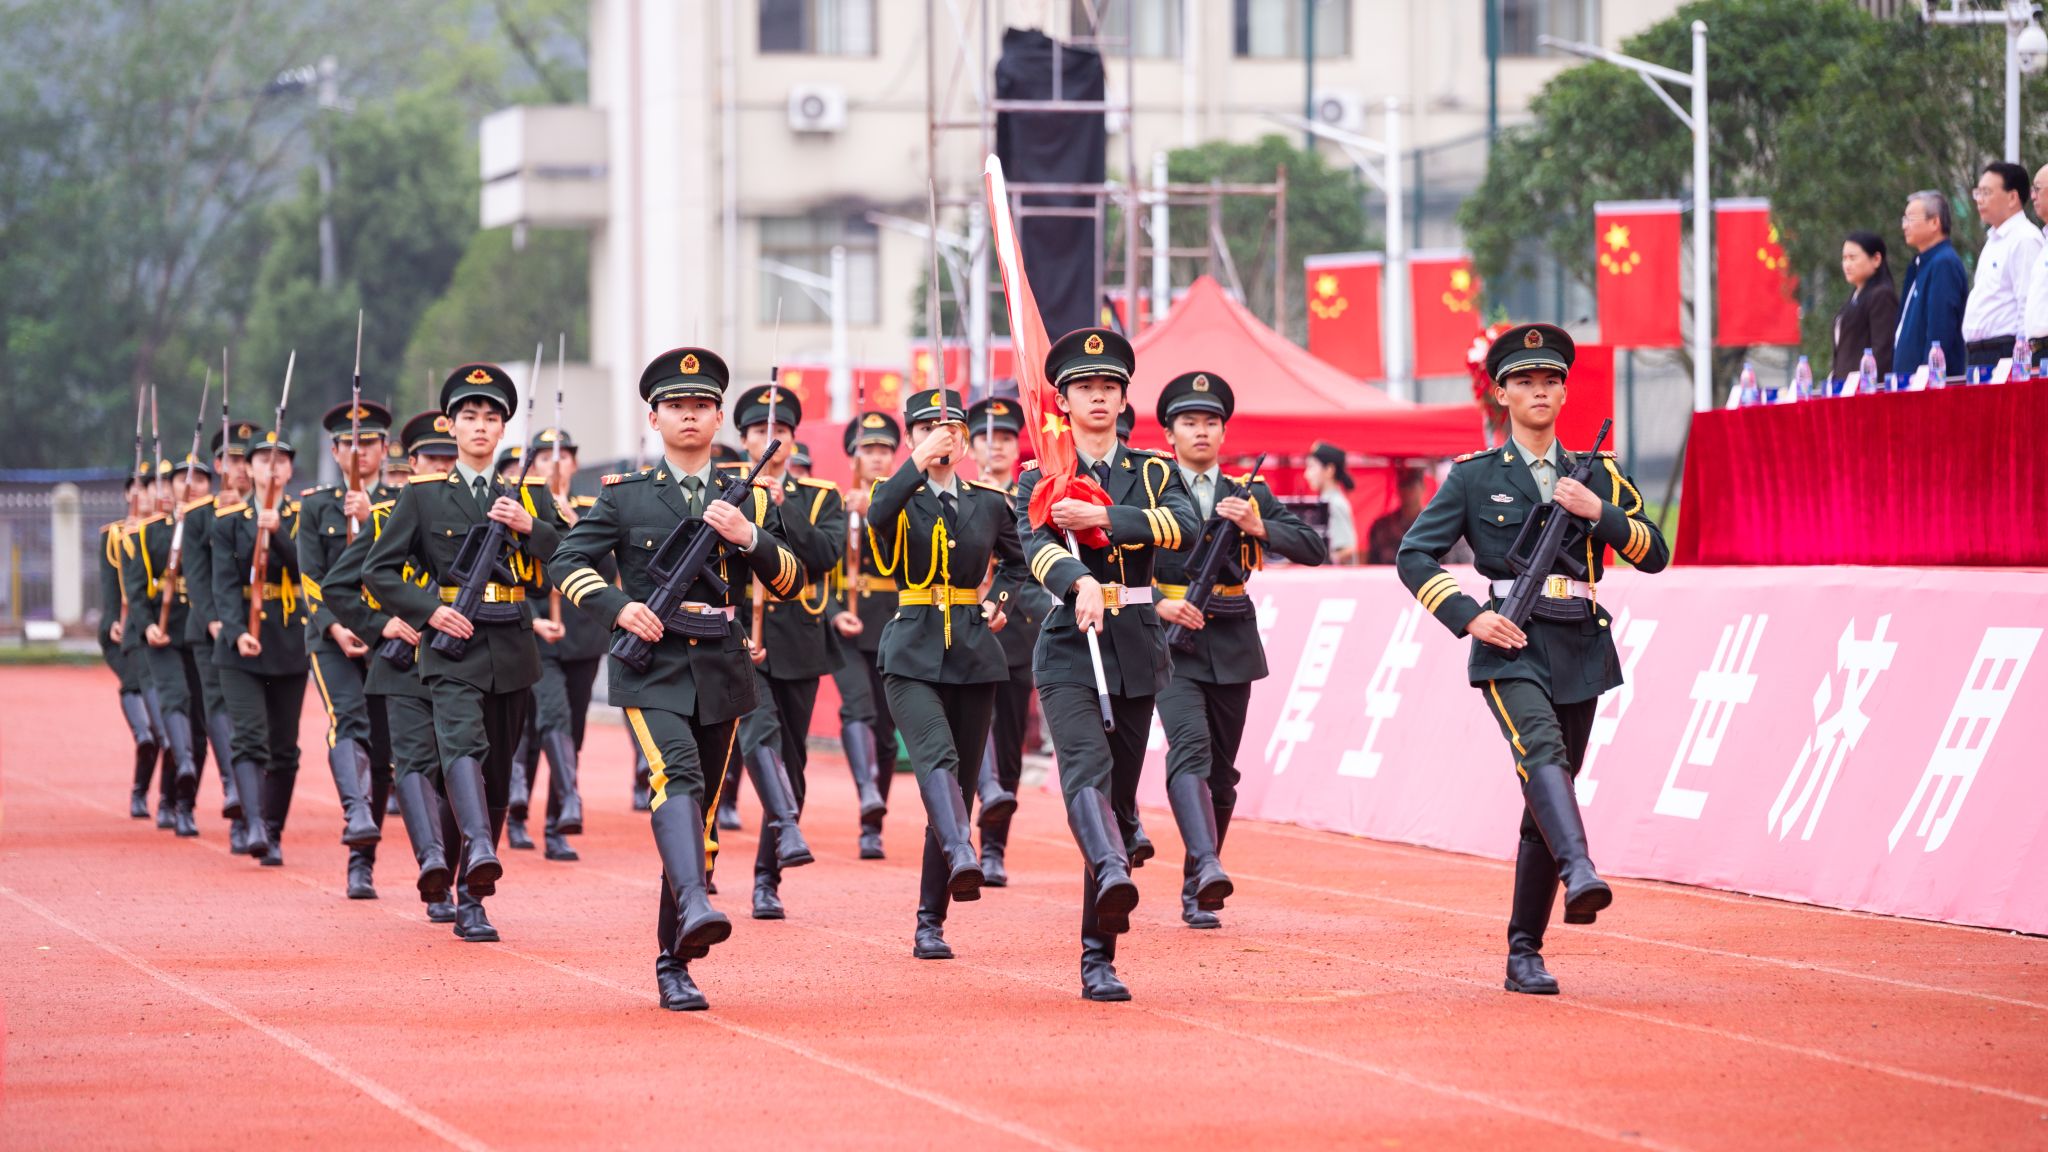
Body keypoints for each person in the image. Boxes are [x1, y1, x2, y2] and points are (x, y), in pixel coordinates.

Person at [1397, 323, 1669, 997]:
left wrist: (1599, 512)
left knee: (1547, 793)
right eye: (1525, 381)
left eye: (1550, 381)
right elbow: (1414, 554)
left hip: (1579, 640)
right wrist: (1469, 616)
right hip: (1508, 641)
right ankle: (1581, 870)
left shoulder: (1599, 473)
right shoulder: (1474, 476)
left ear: (1565, 392)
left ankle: (1525, 951)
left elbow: (1654, 553)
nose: (1539, 391)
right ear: (1503, 394)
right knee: (1541, 751)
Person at [548, 346, 809, 1011]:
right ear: (654, 418)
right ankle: (694, 902)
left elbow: (794, 581)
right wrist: (619, 608)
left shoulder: (749, 497)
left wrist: (748, 536)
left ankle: (675, 958)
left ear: (719, 418)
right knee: (677, 777)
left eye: (701, 405)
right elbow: (567, 561)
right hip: (652, 663)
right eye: (675, 405)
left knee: (703, 817)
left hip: (721, 664)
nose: (688, 415)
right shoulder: (625, 495)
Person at [1013, 327, 1200, 1001]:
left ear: (1124, 400)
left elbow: (1185, 529)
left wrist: (1102, 516)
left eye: (1108, 387)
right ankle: (1104, 915)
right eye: (1084, 388)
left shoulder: (1153, 471)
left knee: (1119, 796)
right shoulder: (1040, 475)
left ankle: (1103, 931)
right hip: (1070, 643)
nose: (1098, 397)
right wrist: (1078, 579)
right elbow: (1034, 547)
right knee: (1085, 772)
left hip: (1136, 649)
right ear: (1062, 401)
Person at [364, 365, 566, 943]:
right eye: (470, 416)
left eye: (491, 417)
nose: (480, 426)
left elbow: (571, 561)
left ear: (503, 429)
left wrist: (530, 527)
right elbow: (379, 571)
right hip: (451, 645)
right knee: (461, 745)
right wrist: (429, 611)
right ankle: (478, 864)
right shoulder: (423, 495)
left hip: (512, 643)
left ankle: (467, 885)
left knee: (497, 775)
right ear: (451, 426)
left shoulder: (530, 494)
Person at [1151, 371, 1328, 930]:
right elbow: (1117, 560)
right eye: (1189, 422)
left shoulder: (1249, 492)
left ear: (1224, 433)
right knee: (1190, 749)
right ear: (1170, 433)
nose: (1201, 431)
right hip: (1170, 637)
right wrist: (1158, 603)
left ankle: (1197, 884)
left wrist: (1259, 526)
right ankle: (1208, 863)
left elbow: (1313, 547)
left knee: (1222, 774)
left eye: (1211, 422)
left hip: (1230, 635)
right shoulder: (1152, 488)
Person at [868, 387, 1024, 959]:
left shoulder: (988, 501)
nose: (943, 438)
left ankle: (930, 922)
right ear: (912, 438)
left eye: (953, 430)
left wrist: (997, 600)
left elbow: (1018, 561)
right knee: (936, 756)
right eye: (929, 430)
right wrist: (916, 461)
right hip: (911, 651)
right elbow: (877, 515)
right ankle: (962, 849)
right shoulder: (896, 494)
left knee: (958, 788)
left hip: (974, 653)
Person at [324, 410, 463, 924]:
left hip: (462, 663)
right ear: (412, 463)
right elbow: (339, 586)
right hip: (404, 666)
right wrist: (380, 624)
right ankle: (432, 869)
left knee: (457, 771)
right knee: (413, 763)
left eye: (449, 459)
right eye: (431, 459)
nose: (441, 468)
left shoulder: (479, 514)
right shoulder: (387, 517)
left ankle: (449, 869)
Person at [716, 382, 838, 919]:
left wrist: (787, 509)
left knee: (794, 765)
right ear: (744, 440)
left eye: (782, 430)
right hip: (735, 635)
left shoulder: (820, 496)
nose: (771, 438)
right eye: (760, 431)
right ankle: (704, 862)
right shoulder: (721, 489)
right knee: (755, 736)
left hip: (797, 641)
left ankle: (768, 878)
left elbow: (825, 556)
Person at [298, 400, 399, 898]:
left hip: (385, 635)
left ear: (385, 448)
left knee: (381, 750)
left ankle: (363, 863)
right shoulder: (315, 506)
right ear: (335, 451)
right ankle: (356, 814)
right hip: (332, 637)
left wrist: (373, 516)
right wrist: (337, 627)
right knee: (348, 720)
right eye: (349, 444)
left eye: (369, 443)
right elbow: (311, 576)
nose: (359, 452)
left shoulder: (402, 502)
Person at [211, 429, 310, 868]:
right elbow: (223, 585)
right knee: (249, 736)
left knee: (284, 747)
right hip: (241, 646)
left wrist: (280, 535)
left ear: (289, 470)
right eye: (264, 461)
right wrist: (235, 632)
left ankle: (272, 828)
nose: (273, 469)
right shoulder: (229, 522)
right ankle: (252, 824)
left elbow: (311, 572)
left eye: (281, 461)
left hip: (288, 641)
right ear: (248, 469)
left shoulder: (304, 517)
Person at [967, 395, 1043, 886]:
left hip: (1013, 633)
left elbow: (1035, 569)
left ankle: (995, 848)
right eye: (985, 437)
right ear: (970, 446)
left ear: (1017, 447)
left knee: (1009, 745)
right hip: (960, 630)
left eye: (1005, 438)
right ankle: (959, 842)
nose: (995, 446)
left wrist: (1010, 604)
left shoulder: (1030, 500)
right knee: (965, 739)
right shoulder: (959, 495)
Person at [122, 452, 217, 837]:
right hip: (163, 637)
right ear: (172, 487)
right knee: (175, 702)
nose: (191, 485)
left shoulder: (217, 527)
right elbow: (135, 587)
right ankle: (176, 783)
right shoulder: (152, 532)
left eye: (200, 479)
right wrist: (146, 626)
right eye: (182, 479)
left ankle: (182, 803)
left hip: (200, 635)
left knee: (199, 727)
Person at [517, 425, 594, 862]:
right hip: (536, 633)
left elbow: (608, 568)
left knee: (572, 730)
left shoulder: (592, 509)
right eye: (545, 457)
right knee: (548, 719)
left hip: (581, 634)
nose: (554, 465)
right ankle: (529, 812)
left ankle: (555, 826)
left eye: (562, 456)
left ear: (575, 464)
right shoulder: (520, 509)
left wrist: (575, 526)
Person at [830, 410, 903, 859]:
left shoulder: (903, 509)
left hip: (892, 626)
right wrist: (834, 612)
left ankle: (873, 824)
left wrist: (876, 510)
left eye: (883, 450)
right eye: (867, 450)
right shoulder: (834, 508)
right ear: (852, 457)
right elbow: (816, 570)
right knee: (857, 708)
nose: (876, 457)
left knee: (885, 730)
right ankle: (866, 793)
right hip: (847, 627)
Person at [184, 423, 258, 850]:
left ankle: (254, 805)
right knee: (219, 708)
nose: (240, 467)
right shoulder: (200, 516)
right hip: (212, 629)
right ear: (216, 464)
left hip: (262, 627)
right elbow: (197, 576)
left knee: (258, 721)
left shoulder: (266, 514)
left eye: (247, 459)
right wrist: (216, 622)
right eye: (232, 459)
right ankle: (234, 790)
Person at [104, 467, 166, 820]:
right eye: (139, 487)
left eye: (152, 486)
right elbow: (111, 587)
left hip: (160, 631)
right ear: (128, 494)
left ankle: (153, 794)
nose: (145, 494)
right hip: (128, 634)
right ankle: (140, 790)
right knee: (147, 729)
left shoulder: (164, 533)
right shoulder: (116, 535)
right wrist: (113, 620)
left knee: (163, 728)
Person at [1961, 161, 2041, 376]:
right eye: (1978, 192)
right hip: (1979, 353)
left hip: (2005, 352)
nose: (1979, 199)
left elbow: (2027, 304)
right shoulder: (1993, 239)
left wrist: (2022, 360)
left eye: (1986, 192)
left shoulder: (2024, 238)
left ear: (2012, 197)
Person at [1894, 190, 1968, 378]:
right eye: (1904, 219)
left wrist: (1928, 377)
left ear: (1935, 222)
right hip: (1909, 380)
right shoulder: (1920, 264)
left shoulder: (1944, 263)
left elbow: (1940, 329)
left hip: (1929, 383)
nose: (1904, 226)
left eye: (1910, 219)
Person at [1831, 231, 1899, 382]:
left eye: (1852, 258)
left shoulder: (1882, 296)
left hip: (1865, 388)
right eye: (1844, 258)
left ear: (1876, 259)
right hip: (1845, 387)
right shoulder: (1854, 297)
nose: (1847, 264)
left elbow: (1882, 351)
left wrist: (1866, 385)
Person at [1304, 441, 1357, 564]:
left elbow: (1347, 549)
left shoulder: (1333, 504)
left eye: (1311, 467)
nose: (1306, 474)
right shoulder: (1328, 501)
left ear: (1329, 470)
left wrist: (1317, 563)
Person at [1365, 467, 1427, 566]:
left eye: (1412, 486)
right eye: (1403, 485)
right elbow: (1373, 563)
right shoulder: (1381, 526)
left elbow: (1448, 562)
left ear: (1422, 488)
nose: (1407, 491)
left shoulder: (1434, 525)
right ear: (1397, 488)